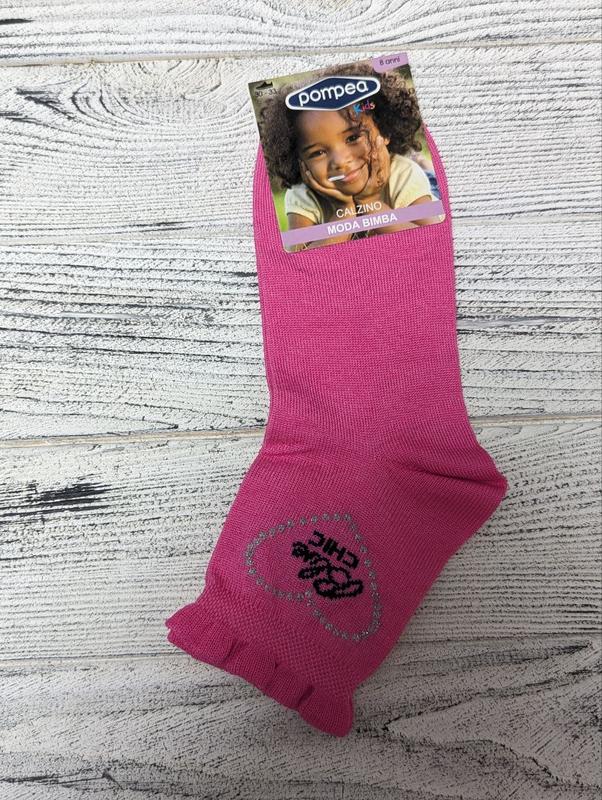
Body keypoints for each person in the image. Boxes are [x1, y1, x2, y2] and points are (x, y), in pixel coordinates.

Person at [258, 60, 445, 252]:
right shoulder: (302, 194)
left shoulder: (403, 173)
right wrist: (345, 211)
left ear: (385, 131)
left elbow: (432, 240)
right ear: (299, 161)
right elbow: (298, 257)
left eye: (353, 138)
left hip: (424, 186)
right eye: (318, 152)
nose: (340, 161)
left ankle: (422, 163)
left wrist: (370, 203)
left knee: (430, 179)